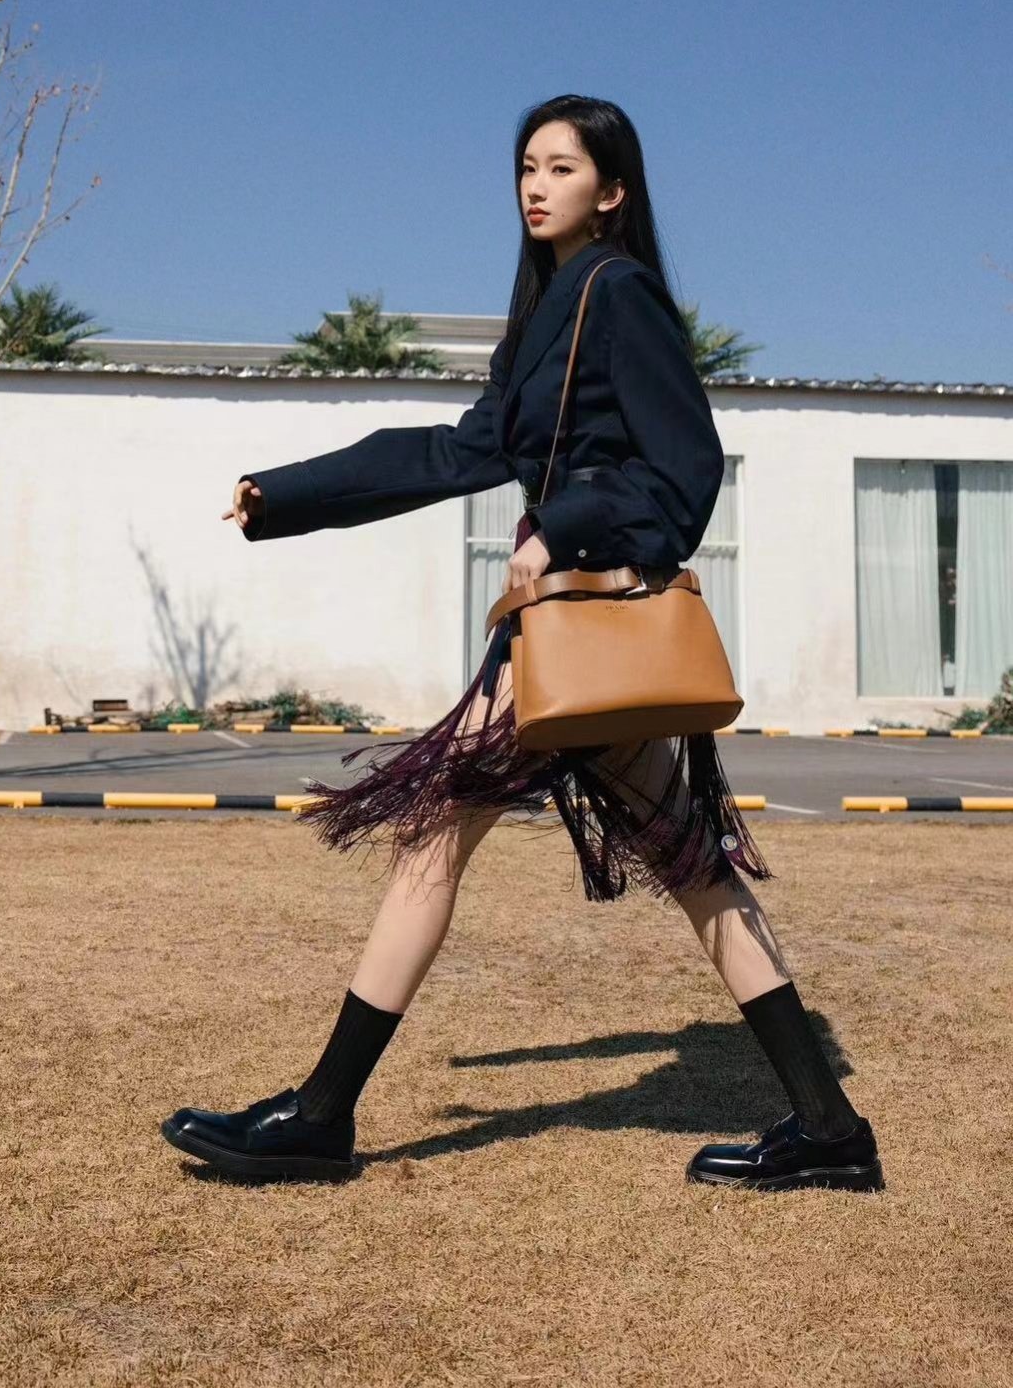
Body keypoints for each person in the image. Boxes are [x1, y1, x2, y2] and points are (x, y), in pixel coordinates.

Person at [160, 95, 883, 1195]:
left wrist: (561, 529)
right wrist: (286, 493)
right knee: (688, 865)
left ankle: (321, 1115)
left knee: (438, 838)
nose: (535, 186)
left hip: (584, 636)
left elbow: (683, 476)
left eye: (561, 167)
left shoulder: (618, 292)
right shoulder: (547, 314)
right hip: (567, 647)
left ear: (613, 190)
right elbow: (457, 452)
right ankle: (827, 1128)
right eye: (525, 167)